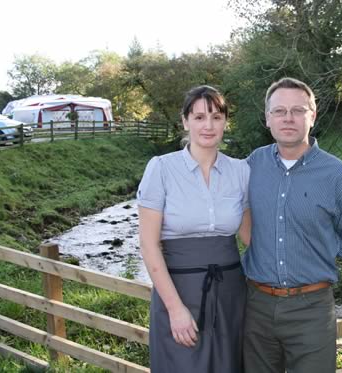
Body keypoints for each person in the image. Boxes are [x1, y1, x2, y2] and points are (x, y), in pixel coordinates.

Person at [242, 77, 342, 373]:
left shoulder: (339, 176)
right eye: (279, 111)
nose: (288, 118)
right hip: (255, 306)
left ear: (313, 115)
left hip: (312, 309)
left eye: (298, 110)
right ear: (268, 119)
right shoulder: (248, 167)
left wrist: (313, 248)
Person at [137, 85, 251, 372]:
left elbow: (251, 238)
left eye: (216, 116)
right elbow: (149, 245)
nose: (208, 125)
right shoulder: (161, 168)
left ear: (226, 121)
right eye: (199, 117)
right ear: (185, 121)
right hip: (178, 292)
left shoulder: (241, 171)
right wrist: (175, 310)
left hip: (231, 297)